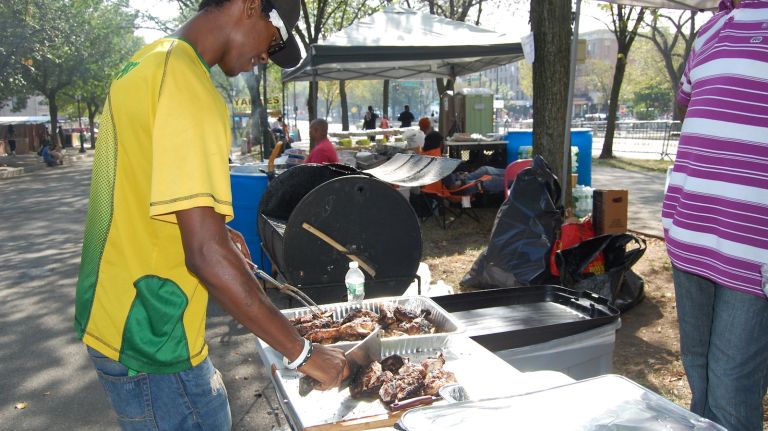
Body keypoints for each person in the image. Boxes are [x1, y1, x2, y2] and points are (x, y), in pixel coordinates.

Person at [75, 1, 349, 429]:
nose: (265, 58)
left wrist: (217, 230)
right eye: (272, 40)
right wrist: (304, 353)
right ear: (250, 5)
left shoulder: (145, 63)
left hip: (111, 314)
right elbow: (203, 255)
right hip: (153, 336)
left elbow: (139, 187)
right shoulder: (189, 87)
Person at [661, 1, 768, 430]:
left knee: (731, 391)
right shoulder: (708, 31)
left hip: (752, 247)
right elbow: (685, 105)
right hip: (690, 234)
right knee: (698, 371)